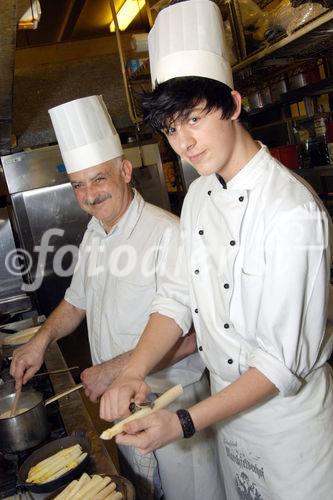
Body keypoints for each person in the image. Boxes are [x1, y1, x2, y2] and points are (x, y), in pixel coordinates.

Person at [99, 2, 333, 499]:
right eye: (170, 130)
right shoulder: (202, 195)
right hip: (228, 422)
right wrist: (135, 370)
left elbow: (279, 365)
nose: (183, 143)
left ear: (232, 103)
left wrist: (183, 423)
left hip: (288, 432)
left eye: (194, 120)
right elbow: (177, 297)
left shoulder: (293, 212)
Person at [10, 95, 222, 500]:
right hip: (122, 408)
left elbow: (199, 332)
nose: (89, 195)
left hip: (172, 405)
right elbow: (76, 302)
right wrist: (40, 341)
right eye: (78, 185)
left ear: (125, 171)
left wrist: (116, 370)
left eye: (99, 179)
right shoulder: (95, 232)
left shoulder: (168, 235)